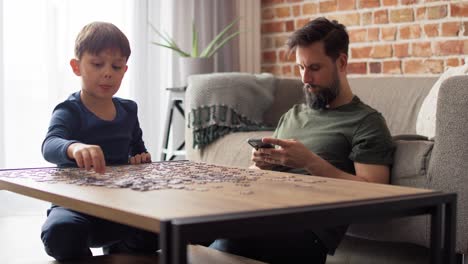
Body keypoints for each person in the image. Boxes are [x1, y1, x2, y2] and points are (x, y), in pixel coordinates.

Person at [210, 17, 395, 264]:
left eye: (314, 68)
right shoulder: (293, 115)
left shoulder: (366, 121)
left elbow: (377, 193)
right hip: (263, 211)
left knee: (226, 243)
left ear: (341, 62)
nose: (305, 78)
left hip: (307, 232)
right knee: (186, 232)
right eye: (300, 68)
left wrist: (311, 162)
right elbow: (258, 173)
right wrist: (261, 166)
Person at [40, 22, 158, 261]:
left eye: (116, 66)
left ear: (125, 70)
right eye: (97, 64)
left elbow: (138, 150)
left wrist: (141, 159)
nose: (108, 73)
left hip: (122, 204)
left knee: (166, 228)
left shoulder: (128, 110)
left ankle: (121, 247)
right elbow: (50, 144)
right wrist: (74, 147)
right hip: (75, 205)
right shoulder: (69, 110)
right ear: (76, 67)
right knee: (60, 233)